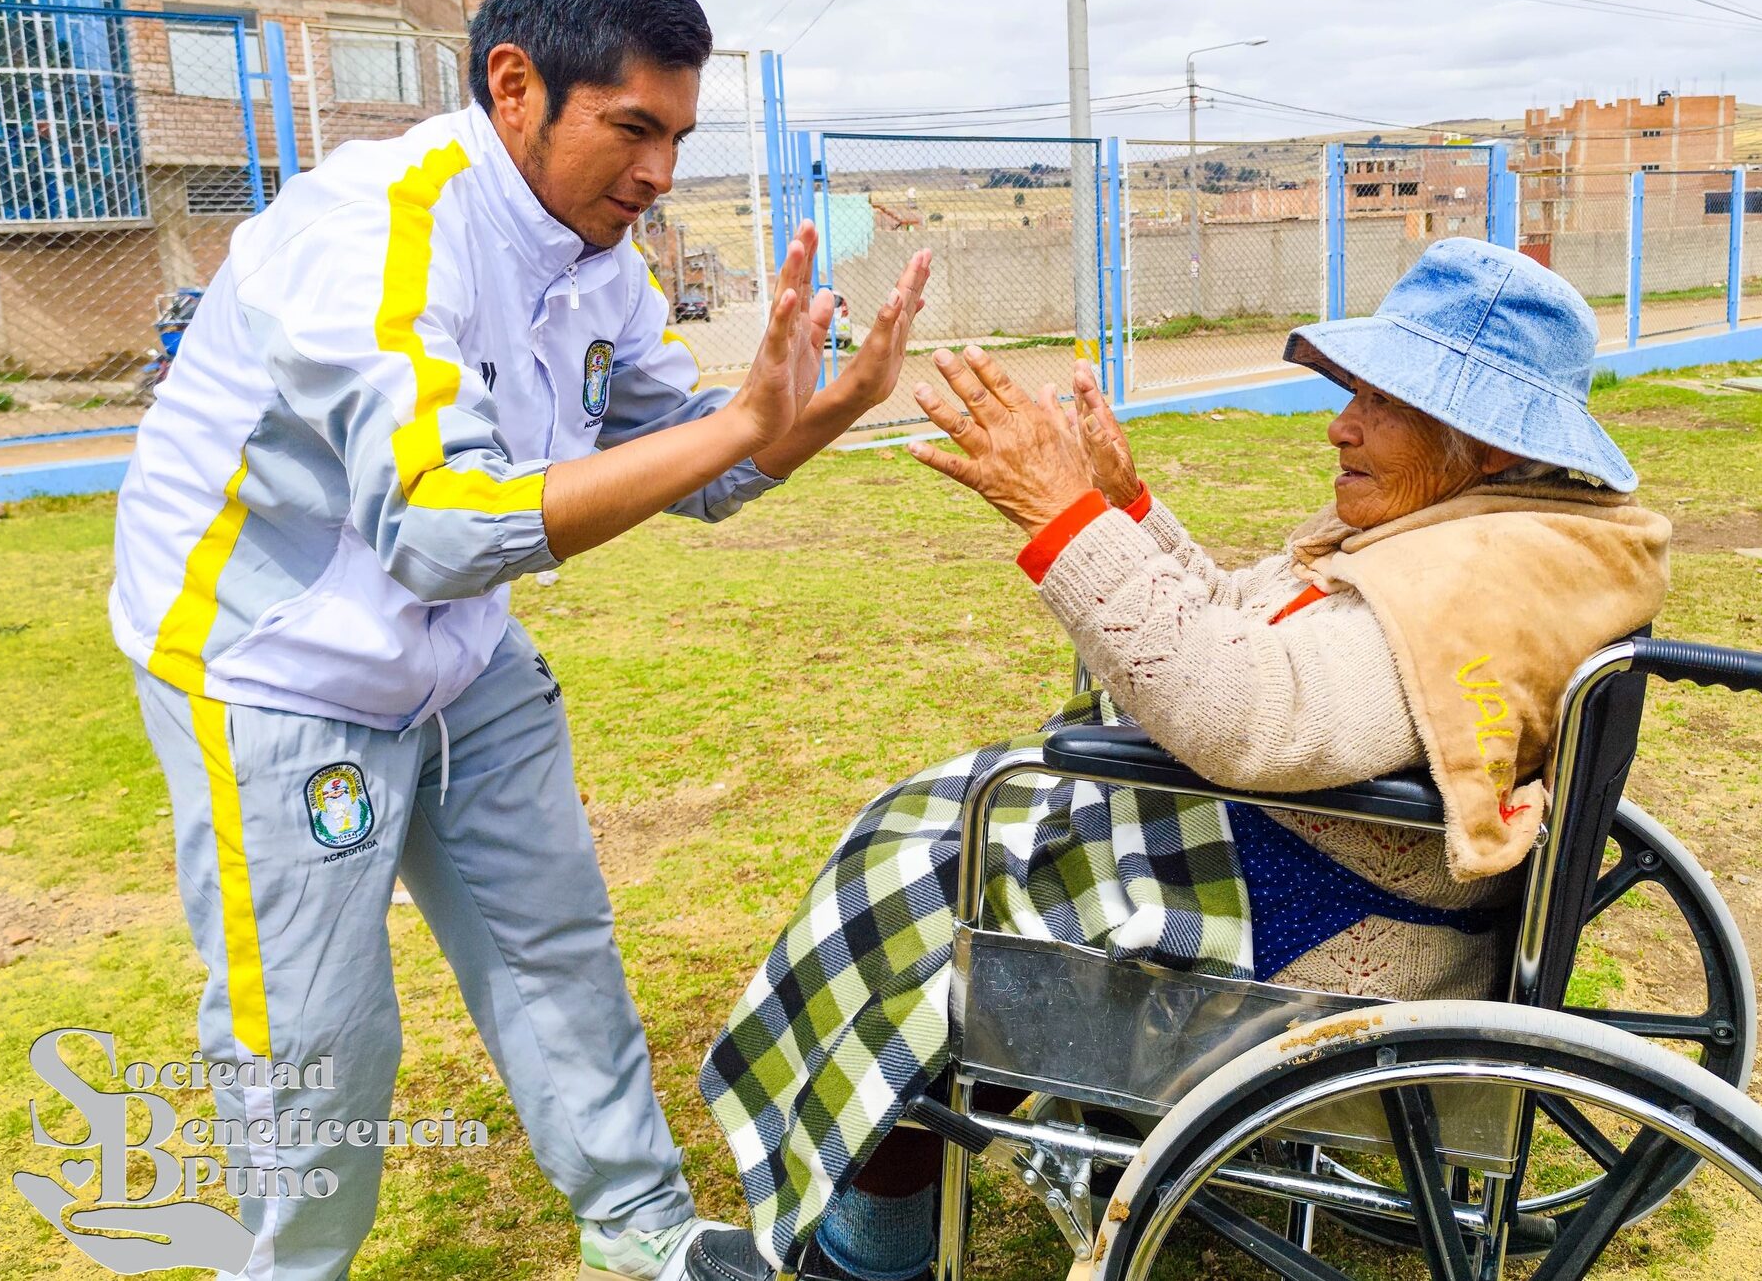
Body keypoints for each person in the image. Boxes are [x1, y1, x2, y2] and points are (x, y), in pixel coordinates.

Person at [108, 0, 929, 1277]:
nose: (659, 171)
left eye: (676, 135)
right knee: (316, 1034)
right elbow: (436, 523)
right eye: (630, 128)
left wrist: (818, 407)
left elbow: (700, 464)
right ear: (511, 86)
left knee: (551, 934)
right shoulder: (376, 233)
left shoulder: (590, 252)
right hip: (277, 665)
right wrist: (736, 426)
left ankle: (637, 1224)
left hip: (459, 651)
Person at [691, 239, 1673, 1281]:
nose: (1340, 422)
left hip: (1304, 923)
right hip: (1318, 865)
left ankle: (872, 1250)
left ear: (1489, 441)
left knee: (919, 887)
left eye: (1382, 401)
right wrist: (1125, 508)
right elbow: (1249, 628)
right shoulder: (1489, 539)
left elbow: (1240, 709)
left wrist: (1062, 517)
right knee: (935, 832)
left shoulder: (1465, 578)